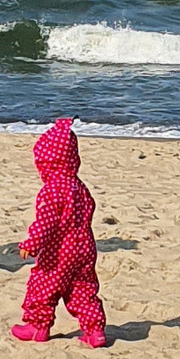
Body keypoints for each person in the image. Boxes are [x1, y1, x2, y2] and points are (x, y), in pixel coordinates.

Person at [13, 118, 109, 347]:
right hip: (84, 248)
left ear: (46, 163)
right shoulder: (79, 186)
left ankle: (38, 326)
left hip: (59, 251)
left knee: (43, 286)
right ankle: (95, 332)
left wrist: (31, 243)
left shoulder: (52, 189)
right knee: (83, 289)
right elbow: (89, 209)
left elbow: (47, 221)